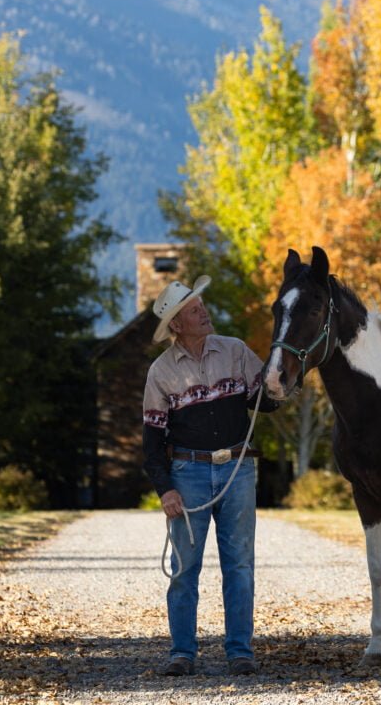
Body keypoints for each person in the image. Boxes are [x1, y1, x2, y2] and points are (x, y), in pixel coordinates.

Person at [142, 274, 278, 677]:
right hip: (187, 473)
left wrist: (281, 377)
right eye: (195, 310)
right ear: (177, 326)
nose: (205, 312)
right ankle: (181, 653)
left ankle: (240, 652)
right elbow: (151, 441)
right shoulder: (160, 372)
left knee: (239, 565)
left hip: (238, 469)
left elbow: (266, 404)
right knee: (185, 568)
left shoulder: (236, 351)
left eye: (202, 306)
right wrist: (165, 488)